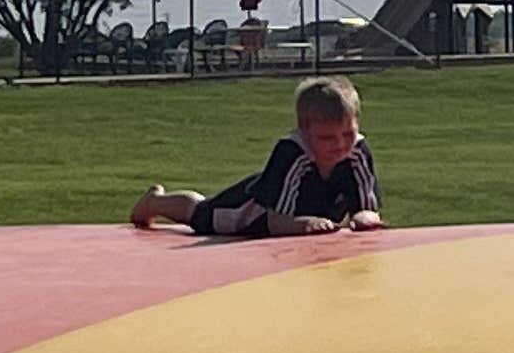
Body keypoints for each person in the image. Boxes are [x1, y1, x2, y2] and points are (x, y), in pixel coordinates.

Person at [131, 76, 386, 239]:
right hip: (251, 210)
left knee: (201, 211)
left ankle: (158, 200)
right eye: (327, 138)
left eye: (347, 133)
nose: (340, 145)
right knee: (200, 214)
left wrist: (364, 215)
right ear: (304, 131)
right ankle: (156, 202)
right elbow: (275, 221)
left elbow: (366, 205)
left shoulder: (357, 152)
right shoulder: (292, 153)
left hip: (305, 211)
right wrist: (303, 224)